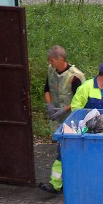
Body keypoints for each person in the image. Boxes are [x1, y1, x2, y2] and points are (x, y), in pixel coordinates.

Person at [39, 46, 86, 194]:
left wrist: (63, 110)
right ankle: (64, 181)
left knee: (63, 151)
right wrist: (49, 105)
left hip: (72, 120)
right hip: (57, 120)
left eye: (52, 59)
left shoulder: (75, 77)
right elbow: (47, 89)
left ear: (61, 59)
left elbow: (81, 101)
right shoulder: (51, 70)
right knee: (63, 149)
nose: (50, 62)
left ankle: (57, 183)